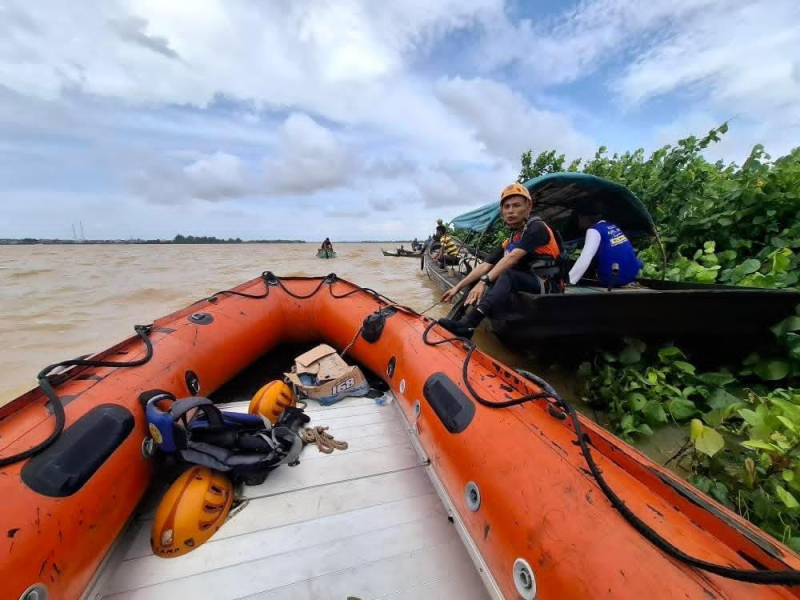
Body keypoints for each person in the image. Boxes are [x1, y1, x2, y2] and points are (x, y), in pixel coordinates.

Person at [438, 183, 565, 337]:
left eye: (516, 205)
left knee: (506, 274)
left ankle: (469, 325)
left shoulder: (537, 228)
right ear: (502, 212)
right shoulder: (512, 238)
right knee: (479, 278)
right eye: (506, 207)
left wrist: (483, 282)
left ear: (528, 207)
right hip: (527, 280)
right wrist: (457, 288)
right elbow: (485, 265)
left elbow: (512, 258)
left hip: (547, 283)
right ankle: (456, 320)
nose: (510, 211)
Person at [568, 214, 642, 287]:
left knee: (591, 256)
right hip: (631, 274)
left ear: (583, 218)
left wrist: (570, 281)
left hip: (613, 279)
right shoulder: (612, 226)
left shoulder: (594, 230)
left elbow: (585, 258)